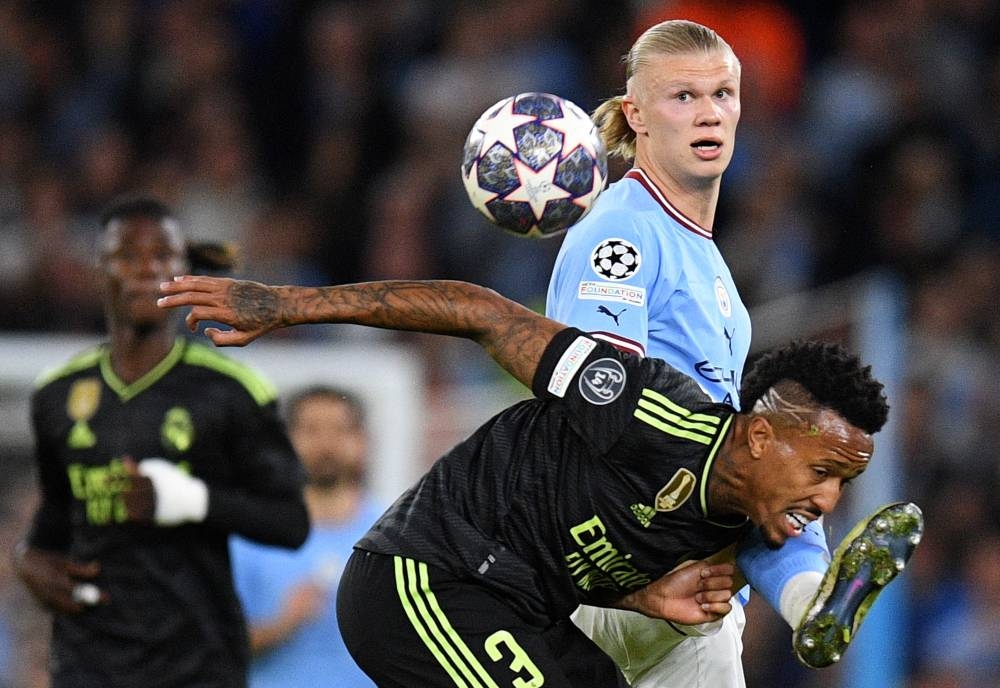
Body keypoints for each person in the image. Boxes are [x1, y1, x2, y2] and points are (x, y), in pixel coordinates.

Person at [155, 274, 919, 688]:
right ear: (758, 435)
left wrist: (639, 596)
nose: (828, 499)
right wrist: (289, 306)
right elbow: (480, 312)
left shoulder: (738, 521)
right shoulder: (650, 410)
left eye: (843, 483)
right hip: (422, 580)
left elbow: (562, 540)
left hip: (516, 606)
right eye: (822, 471)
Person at [543, 19, 852, 684]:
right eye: (683, 96)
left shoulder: (703, 255)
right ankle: (810, 597)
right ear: (636, 115)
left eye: (723, 94)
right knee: (771, 467)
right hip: (635, 566)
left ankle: (811, 599)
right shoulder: (623, 231)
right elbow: (598, 402)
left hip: (686, 577)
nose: (708, 113)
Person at [13, 197, 310, 688]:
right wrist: (28, 559)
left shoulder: (231, 391)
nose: (146, 268)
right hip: (89, 659)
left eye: (162, 255)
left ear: (182, 271)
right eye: (127, 255)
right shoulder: (57, 394)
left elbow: (291, 522)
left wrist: (186, 499)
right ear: (100, 269)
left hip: (198, 662)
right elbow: (58, 515)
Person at [230, 386, 383, 687]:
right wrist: (281, 625)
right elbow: (215, 646)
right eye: (311, 430)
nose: (326, 444)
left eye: (340, 430)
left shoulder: (394, 535)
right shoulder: (253, 534)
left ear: (362, 441)